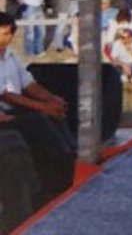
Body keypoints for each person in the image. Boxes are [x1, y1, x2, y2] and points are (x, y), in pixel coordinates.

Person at [0, 12, 75, 207]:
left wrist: (51, 99)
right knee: (39, 119)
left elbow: (28, 84)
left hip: (17, 107)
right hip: (5, 113)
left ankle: (71, 157)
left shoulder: (11, 56)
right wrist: (43, 107)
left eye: (7, 34)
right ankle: (52, 185)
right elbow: (5, 95)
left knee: (57, 111)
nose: (4, 38)